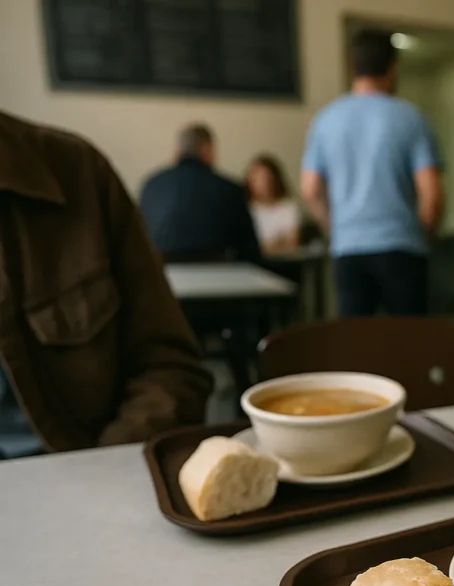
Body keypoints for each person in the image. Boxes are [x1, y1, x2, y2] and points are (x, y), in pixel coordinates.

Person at [0, 111, 213, 457]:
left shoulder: (82, 172)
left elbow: (171, 366)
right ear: (208, 152)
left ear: (176, 153)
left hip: (84, 476)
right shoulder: (230, 190)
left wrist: (100, 475)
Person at [301, 30, 444, 317]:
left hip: (349, 248)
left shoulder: (326, 120)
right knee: (408, 343)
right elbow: (432, 195)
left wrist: (335, 227)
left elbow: (311, 189)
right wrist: (423, 234)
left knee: (356, 349)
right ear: (393, 66)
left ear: (352, 67)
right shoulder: (412, 118)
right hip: (402, 247)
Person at [140, 123, 261, 262]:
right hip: (218, 275)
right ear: (206, 150)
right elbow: (251, 253)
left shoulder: (151, 186)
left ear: (177, 151)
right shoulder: (231, 190)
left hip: (163, 275)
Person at [245, 154, 304, 255]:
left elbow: (292, 241)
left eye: (264, 178)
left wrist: (265, 246)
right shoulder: (244, 208)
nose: (261, 183)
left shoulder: (288, 208)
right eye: (256, 178)